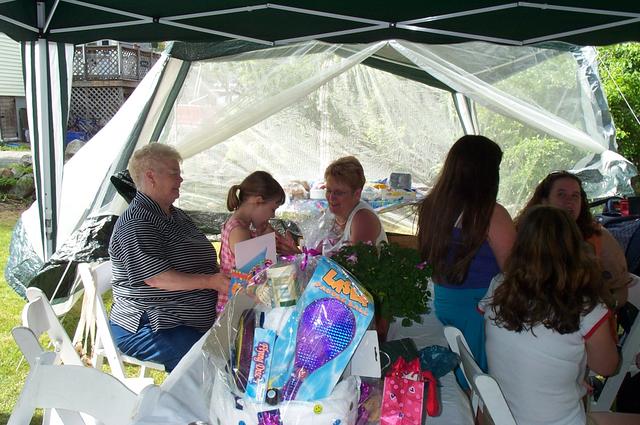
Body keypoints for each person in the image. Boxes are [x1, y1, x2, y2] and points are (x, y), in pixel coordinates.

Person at [480, 206, 640, 425]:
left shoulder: (500, 286)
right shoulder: (586, 305)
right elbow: (607, 367)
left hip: (499, 417)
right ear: (575, 248)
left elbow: (521, 347)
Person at [108, 143, 230, 372]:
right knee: (214, 365)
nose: (181, 179)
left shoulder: (175, 215)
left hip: (183, 319)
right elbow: (157, 278)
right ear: (151, 177)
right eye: (174, 173)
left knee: (243, 342)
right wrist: (211, 281)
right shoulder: (137, 223)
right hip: (151, 325)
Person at [416, 135, 515, 375]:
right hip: (480, 309)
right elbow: (515, 271)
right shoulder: (491, 214)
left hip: (444, 301)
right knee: (480, 375)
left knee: (463, 367)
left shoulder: (432, 207)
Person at [519, 171, 629, 308]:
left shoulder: (596, 235)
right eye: (561, 194)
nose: (569, 201)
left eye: (575, 196)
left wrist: (605, 308)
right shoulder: (525, 235)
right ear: (544, 201)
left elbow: (620, 290)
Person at [218, 170, 295, 313]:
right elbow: (255, 277)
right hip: (235, 310)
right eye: (272, 209)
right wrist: (267, 240)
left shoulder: (242, 227)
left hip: (241, 305)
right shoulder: (239, 231)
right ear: (258, 201)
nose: (272, 215)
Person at [320, 156, 388, 255]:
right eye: (329, 190)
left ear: (357, 194)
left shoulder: (363, 219)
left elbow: (353, 261)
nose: (331, 198)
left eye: (339, 193)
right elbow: (315, 253)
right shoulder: (330, 214)